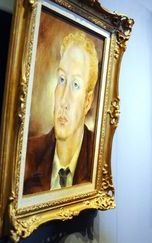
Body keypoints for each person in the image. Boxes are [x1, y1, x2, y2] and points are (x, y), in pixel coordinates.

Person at [23, 32, 99, 195]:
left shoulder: (97, 156)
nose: (64, 100)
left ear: (87, 101)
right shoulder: (29, 154)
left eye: (76, 85)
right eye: (62, 79)